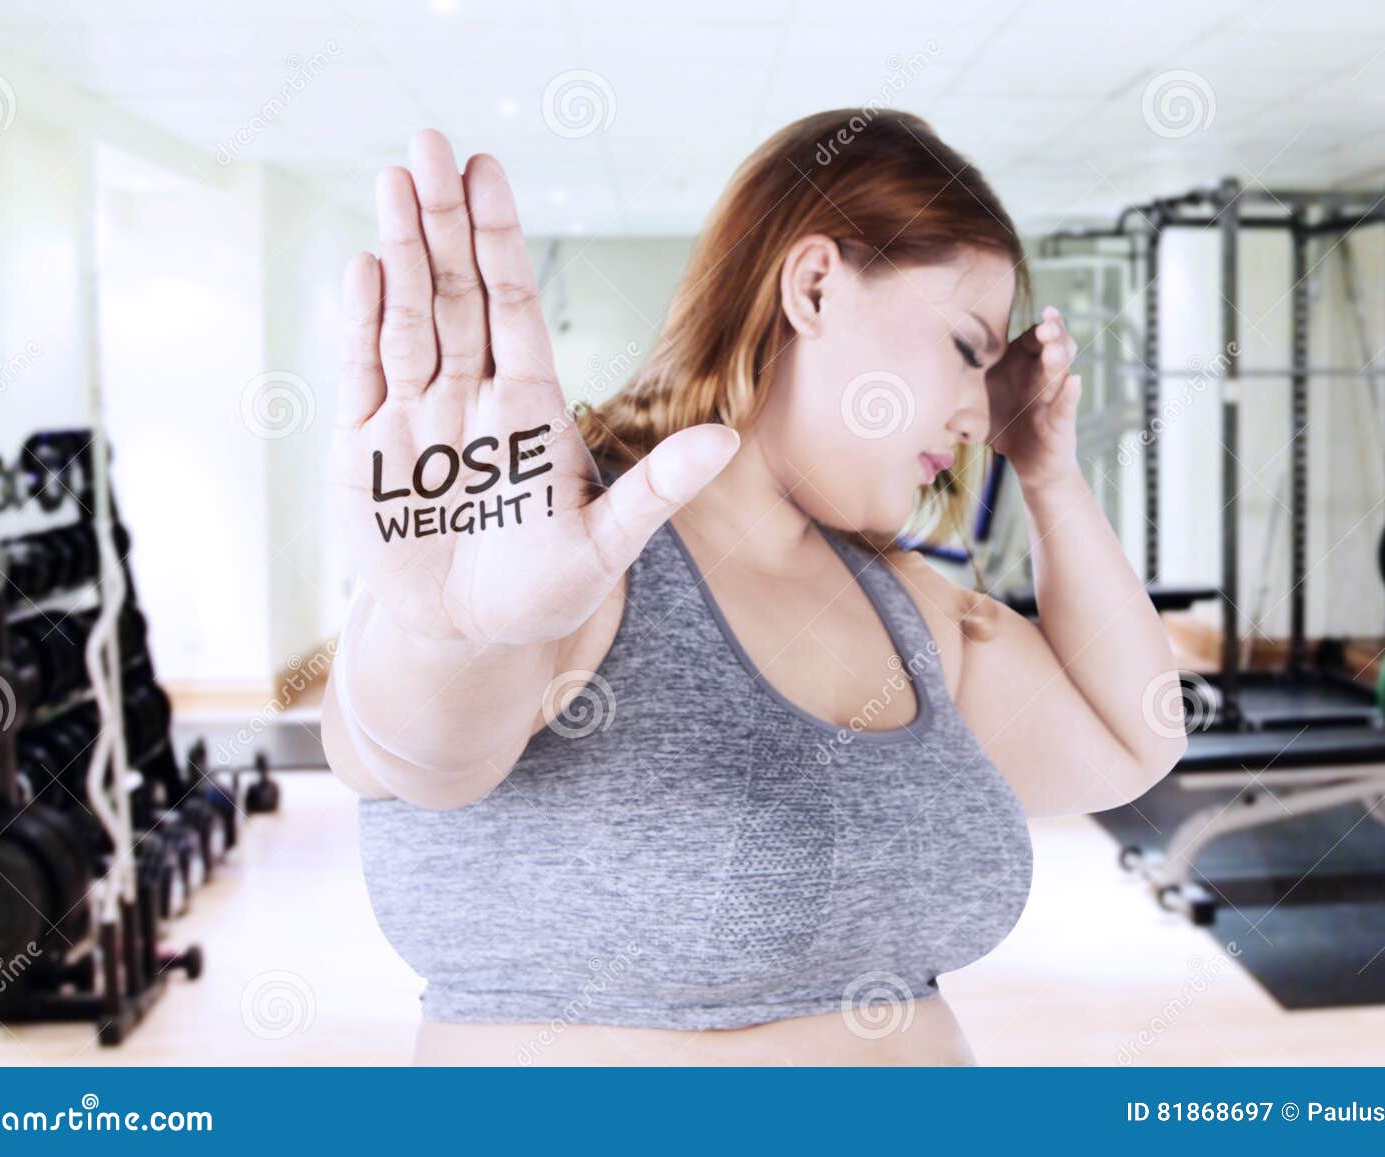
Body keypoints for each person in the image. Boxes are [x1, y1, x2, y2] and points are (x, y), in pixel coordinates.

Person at [324, 109, 1186, 1066]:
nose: (980, 412)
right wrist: (454, 638)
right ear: (814, 286)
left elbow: (1132, 740)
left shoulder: (905, 607)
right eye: (965, 347)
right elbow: (421, 748)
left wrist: (1050, 470)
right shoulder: (574, 556)